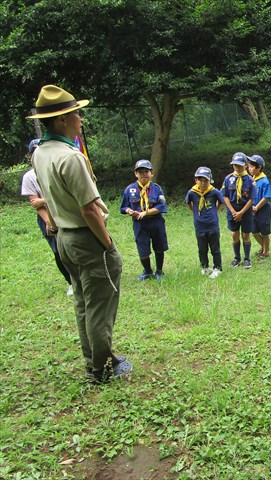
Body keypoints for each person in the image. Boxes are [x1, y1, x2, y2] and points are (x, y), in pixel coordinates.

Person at [28, 84, 131, 383]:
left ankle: (96, 360)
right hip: (87, 238)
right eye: (77, 114)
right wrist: (108, 243)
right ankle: (100, 370)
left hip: (63, 238)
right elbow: (89, 210)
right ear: (62, 120)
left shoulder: (41, 153)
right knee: (100, 306)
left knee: (84, 303)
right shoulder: (70, 157)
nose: (81, 120)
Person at [21, 139, 73, 296]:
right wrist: (48, 221)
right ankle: (71, 282)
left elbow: (65, 195)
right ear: (31, 155)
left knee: (74, 246)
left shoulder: (56, 167)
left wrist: (44, 199)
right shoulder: (29, 177)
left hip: (65, 212)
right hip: (46, 216)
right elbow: (35, 203)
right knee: (58, 250)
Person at [120, 159, 169, 280]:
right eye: (140, 171)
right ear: (135, 174)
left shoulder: (157, 189)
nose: (143, 174)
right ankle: (147, 271)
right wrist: (129, 211)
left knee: (159, 247)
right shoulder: (129, 190)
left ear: (151, 173)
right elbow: (123, 207)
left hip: (156, 222)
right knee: (143, 248)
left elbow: (161, 206)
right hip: (140, 224)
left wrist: (145, 213)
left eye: (146, 171)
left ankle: (159, 271)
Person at [185, 166, 225, 278]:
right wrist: (196, 213)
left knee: (215, 248)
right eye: (200, 180)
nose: (203, 183)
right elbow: (189, 204)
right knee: (202, 248)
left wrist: (214, 212)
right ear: (196, 180)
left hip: (212, 225)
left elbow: (220, 203)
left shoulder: (214, 192)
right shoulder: (192, 193)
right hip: (199, 225)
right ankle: (205, 266)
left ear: (210, 180)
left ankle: (218, 267)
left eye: (205, 180)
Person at [221, 152, 255, 269]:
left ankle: (247, 258)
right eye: (235, 165)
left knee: (246, 234)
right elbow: (224, 196)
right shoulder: (228, 179)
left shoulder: (250, 180)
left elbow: (251, 198)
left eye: (239, 165)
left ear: (245, 165)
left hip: (245, 211)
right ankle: (237, 258)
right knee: (234, 234)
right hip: (232, 211)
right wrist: (233, 211)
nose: (237, 167)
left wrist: (241, 213)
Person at [248, 155, 271, 259]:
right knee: (254, 231)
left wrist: (257, 207)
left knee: (265, 232)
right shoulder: (250, 179)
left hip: (263, 209)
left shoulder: (264, 181)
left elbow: (266, 197)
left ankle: (265, 252)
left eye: (252, 167)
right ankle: (264, 247)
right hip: (252, 209)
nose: (249, 169)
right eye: (249, 166)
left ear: (259, 168)